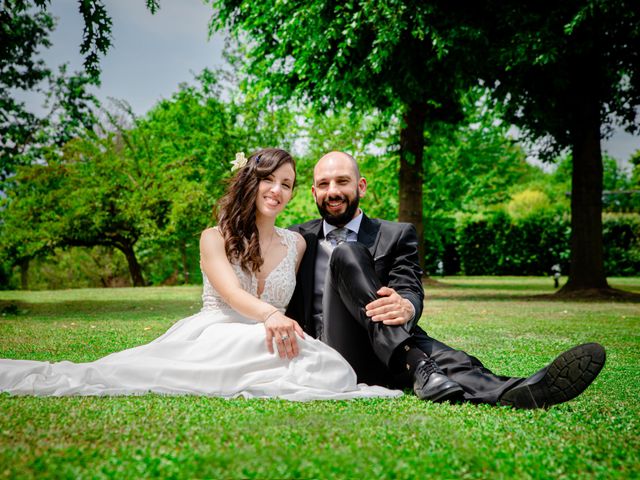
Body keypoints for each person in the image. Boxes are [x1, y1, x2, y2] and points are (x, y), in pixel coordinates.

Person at [0, 148, 401, 401]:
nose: (277, 190)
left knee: (331, 370)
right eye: (268, 179)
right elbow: (230, 293)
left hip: (271, 335)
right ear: (250, 181)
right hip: (217, 332)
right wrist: (270, 315)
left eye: (287, 184)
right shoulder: (214, 237)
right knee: (117, 374)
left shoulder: (296, 244)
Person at [286, 151, 606, 408]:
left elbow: (409, 286)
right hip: (330, 351)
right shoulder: (296, 238)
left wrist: (407, 308)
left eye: (342, 181)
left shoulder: (396, 234)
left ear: (361, 186)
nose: (333, 192)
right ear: (314, 191)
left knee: (448, 357)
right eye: (324, 184)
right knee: (349, 255)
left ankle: (521, 391)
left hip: (381, 346)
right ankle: (416, 363)